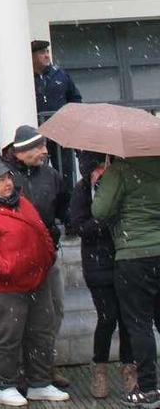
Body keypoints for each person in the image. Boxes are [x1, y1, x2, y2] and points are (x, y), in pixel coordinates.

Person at [0, 158, 67, 407]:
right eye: (0, 180)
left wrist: (47, 256)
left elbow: (42, 231)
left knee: (41, 332)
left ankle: (39, 383)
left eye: (8, 177)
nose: (8, 183)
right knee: (4, 338)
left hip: (35, 280)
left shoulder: (23, 204)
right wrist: (8, 269)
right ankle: (4, 385)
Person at [3, 125, 70, 387]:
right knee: (19, 317)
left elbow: (64, 206)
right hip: (15, 259)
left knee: (54, 310)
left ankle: (44, 366)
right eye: (39, 147)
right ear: (21, 151)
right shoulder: (3, 176)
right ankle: (19, 369)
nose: (45, 151)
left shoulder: (51, 175)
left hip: (48, 256)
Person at [92, 154, 160, 407]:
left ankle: (149, 388)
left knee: (139, 324)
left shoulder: (120, 171)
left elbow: (100, 211)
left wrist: (105, 182)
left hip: (133, 255)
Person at [69, 151, 135, 399]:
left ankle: (130, 369)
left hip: (124, 259)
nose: (103, 170)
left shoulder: (121, 184)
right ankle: (100, 369)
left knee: (129, 318)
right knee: (107, 318)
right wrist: (104, 221)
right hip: (97, 263)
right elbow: (78, 226)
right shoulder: (82, 190)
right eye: (98, 166)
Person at [32, 39, 81, 186]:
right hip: (37, 135)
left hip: (61, 133)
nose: (47, 55)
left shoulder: (60, 75)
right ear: (32, 56)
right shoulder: (24, 77)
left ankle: (68, 204)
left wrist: (72, 122)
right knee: (40, 173)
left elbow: (75, 99)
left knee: (66, 173)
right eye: (42, 53)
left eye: (47, 52)